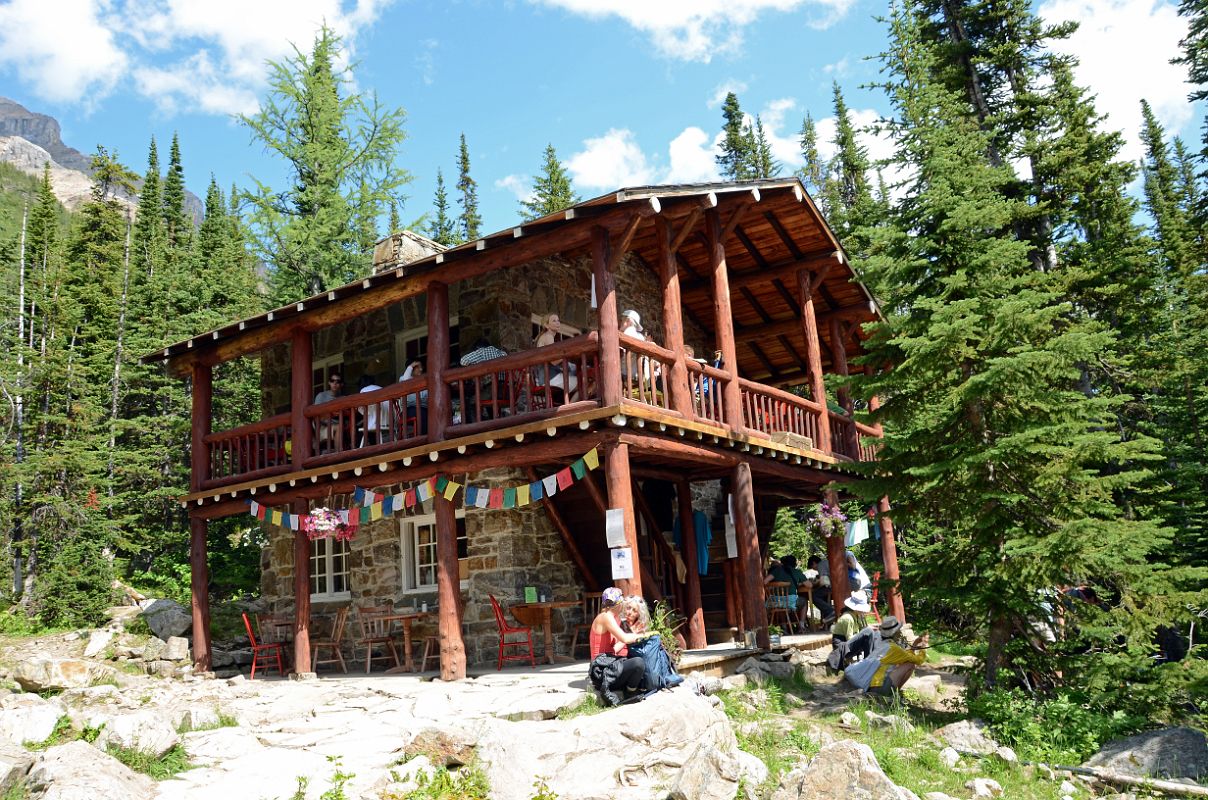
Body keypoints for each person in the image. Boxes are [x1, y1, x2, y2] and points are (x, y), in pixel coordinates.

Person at [843, 615, 929, 699]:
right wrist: (923, 646)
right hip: (879, 687)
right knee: (910, 665)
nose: (900, 632)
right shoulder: (893, 648)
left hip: (871, 684)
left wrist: (914, 645)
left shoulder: (881, 643)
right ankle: (894, 695)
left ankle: (892, 693)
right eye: (899, 630)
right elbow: (918, 660)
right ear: (895, 632)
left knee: (904, 662)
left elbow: (906, 656)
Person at [589, 587, 649, 706]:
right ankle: (630, 693)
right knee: (638, 663)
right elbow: (625, 638)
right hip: (601, 673)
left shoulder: (609, 617)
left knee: (635, 662)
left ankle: (630, 690)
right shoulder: (606, 617)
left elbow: (613, 650)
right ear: (619, 603)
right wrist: (643, 634)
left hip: (605, 668)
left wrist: (633, 634)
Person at [765, 554, 810, 633]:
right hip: (790, 602)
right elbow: (809, 585)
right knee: (804, 601)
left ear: (783, 563)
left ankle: (784, 627)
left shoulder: (777, 570)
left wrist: (775, 585)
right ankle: (801, 626)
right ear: (795, 564)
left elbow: (764, 582)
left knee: (781, 604)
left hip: (775, 601)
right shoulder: (797, 572)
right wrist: (800, 583)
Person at [314, 373, 344, 453]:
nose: (335, 383)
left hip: (340, 424)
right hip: (322, 427)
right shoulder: (321, 396)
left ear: (341, 384)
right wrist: (331, 414)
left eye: (337, 381)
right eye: (332, 381)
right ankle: (338, 454)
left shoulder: (343, 398)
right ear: (329, 383)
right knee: (339, 427)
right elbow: (316, 415)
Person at [357, 374, 391, 445]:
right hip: (388, 422)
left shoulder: (364, 391)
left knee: (361, 426)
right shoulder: (381, 389)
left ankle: (360, 449)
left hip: (376, 424)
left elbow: (362, 410)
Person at [398, 361, 429, 436]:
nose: (421, 369)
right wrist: (410, 366)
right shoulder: (403, 378)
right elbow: (406, 382)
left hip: (423, 407)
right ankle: (422, 439)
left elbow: (425, 396)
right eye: (418, 367)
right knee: (421, 413)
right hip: (409, 409)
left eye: (421, 367)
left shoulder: (422, 380)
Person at [806, 555, 835, 623]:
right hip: (835, 585)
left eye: (813, 567)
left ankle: (831, 611)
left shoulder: (820, 565)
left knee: (814, 596)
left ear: (814, 563)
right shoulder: (825, 562)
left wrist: (814, 583)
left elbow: (823, 582)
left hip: (833, 587)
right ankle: (827, 621)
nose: (814, 570)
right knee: (822, 597)